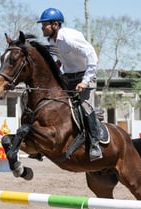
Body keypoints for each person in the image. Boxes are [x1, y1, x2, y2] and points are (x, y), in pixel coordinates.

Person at [37, 7, 102, 161]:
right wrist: (57, 66)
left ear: (55, 24)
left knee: (85, 107)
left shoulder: (69, 37)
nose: (42, 27)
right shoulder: (52, 41)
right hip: (68, 77)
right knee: (54, 103)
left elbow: (91, 55)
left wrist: (85, 81)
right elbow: (64, 59)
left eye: (44, 24)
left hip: (85, 75)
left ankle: (94, 144)